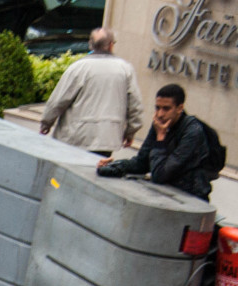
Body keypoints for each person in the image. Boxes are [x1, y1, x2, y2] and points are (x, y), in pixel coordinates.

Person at [96, 84, 212, 200]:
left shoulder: (192, 132)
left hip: (191, 197)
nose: (160, 114)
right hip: (169, 193)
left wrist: (160, 139)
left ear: (179, 108)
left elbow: (160, 175)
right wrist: (114, 166)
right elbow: (142, 162)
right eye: (157, 108)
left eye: (166, 109)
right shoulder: (160, 124)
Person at [39, 29, 142, 157]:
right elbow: (135, 106)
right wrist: (130, 132)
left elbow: (58, 100)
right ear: (111, 45)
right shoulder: (125, 69)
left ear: (90, 44)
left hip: (74, 137)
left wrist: (46, 123)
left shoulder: (78, 67)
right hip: (106, 139)